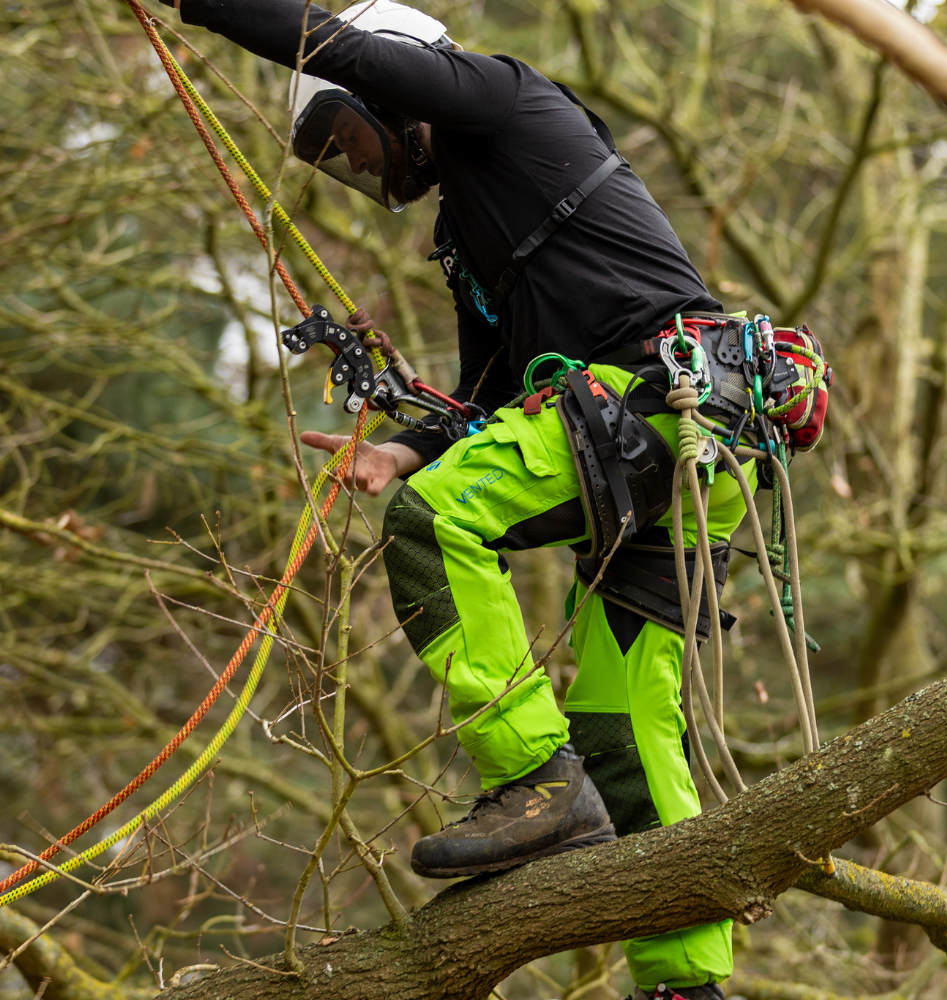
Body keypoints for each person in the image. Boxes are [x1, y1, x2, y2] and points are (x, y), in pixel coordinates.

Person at [162, 1, 753, 996]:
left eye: (350, 141)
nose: (359, 171)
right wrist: (400, 447)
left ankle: (532, 779)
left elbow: (332, 44)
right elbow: (488, 396)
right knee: (621, 723)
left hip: (658, 406)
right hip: (676, 447)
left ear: (396, 89)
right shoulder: (469, 231)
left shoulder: (502, 101)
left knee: (437, 519)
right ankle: (686, 983)